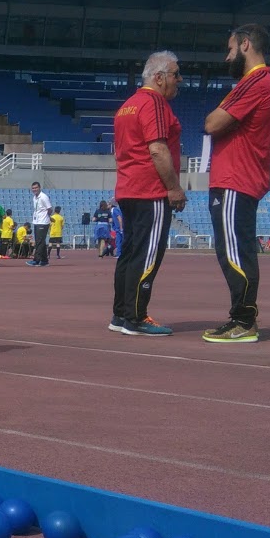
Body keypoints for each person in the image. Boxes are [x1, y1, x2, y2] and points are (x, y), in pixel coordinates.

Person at [203, 23, 270, 345]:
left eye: (230, 49)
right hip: (234, 179)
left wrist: (218, 116)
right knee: (231, 250)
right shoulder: (255, 83)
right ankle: (241, 317)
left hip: (237, 179)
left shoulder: (256, 82)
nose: (227, 57)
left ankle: (244, 320)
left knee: (235, 252)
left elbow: (212, 123)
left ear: (245, 44)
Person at [109, 49, 184, 337]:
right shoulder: (154, 103)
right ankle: (136, 317)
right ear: (159, 77)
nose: (179, 80)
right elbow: (157, 148)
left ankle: (121, 313)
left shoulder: (127, 105)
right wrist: (173, 187)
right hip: (150, 191)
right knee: (148, 253)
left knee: (130, 253)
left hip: (128, 188)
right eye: (176, 74)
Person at [27, 182, 53, 267]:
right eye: (33, 188)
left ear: (39, 188)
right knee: (41, 241)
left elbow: (50, 209)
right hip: (37, 221)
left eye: (36, 188)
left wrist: (46, 216)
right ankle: (44, 260)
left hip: (43, 222)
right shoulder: (34, 198)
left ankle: (36, 260)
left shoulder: (44, 197)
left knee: (39, 242)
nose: (34, 189)